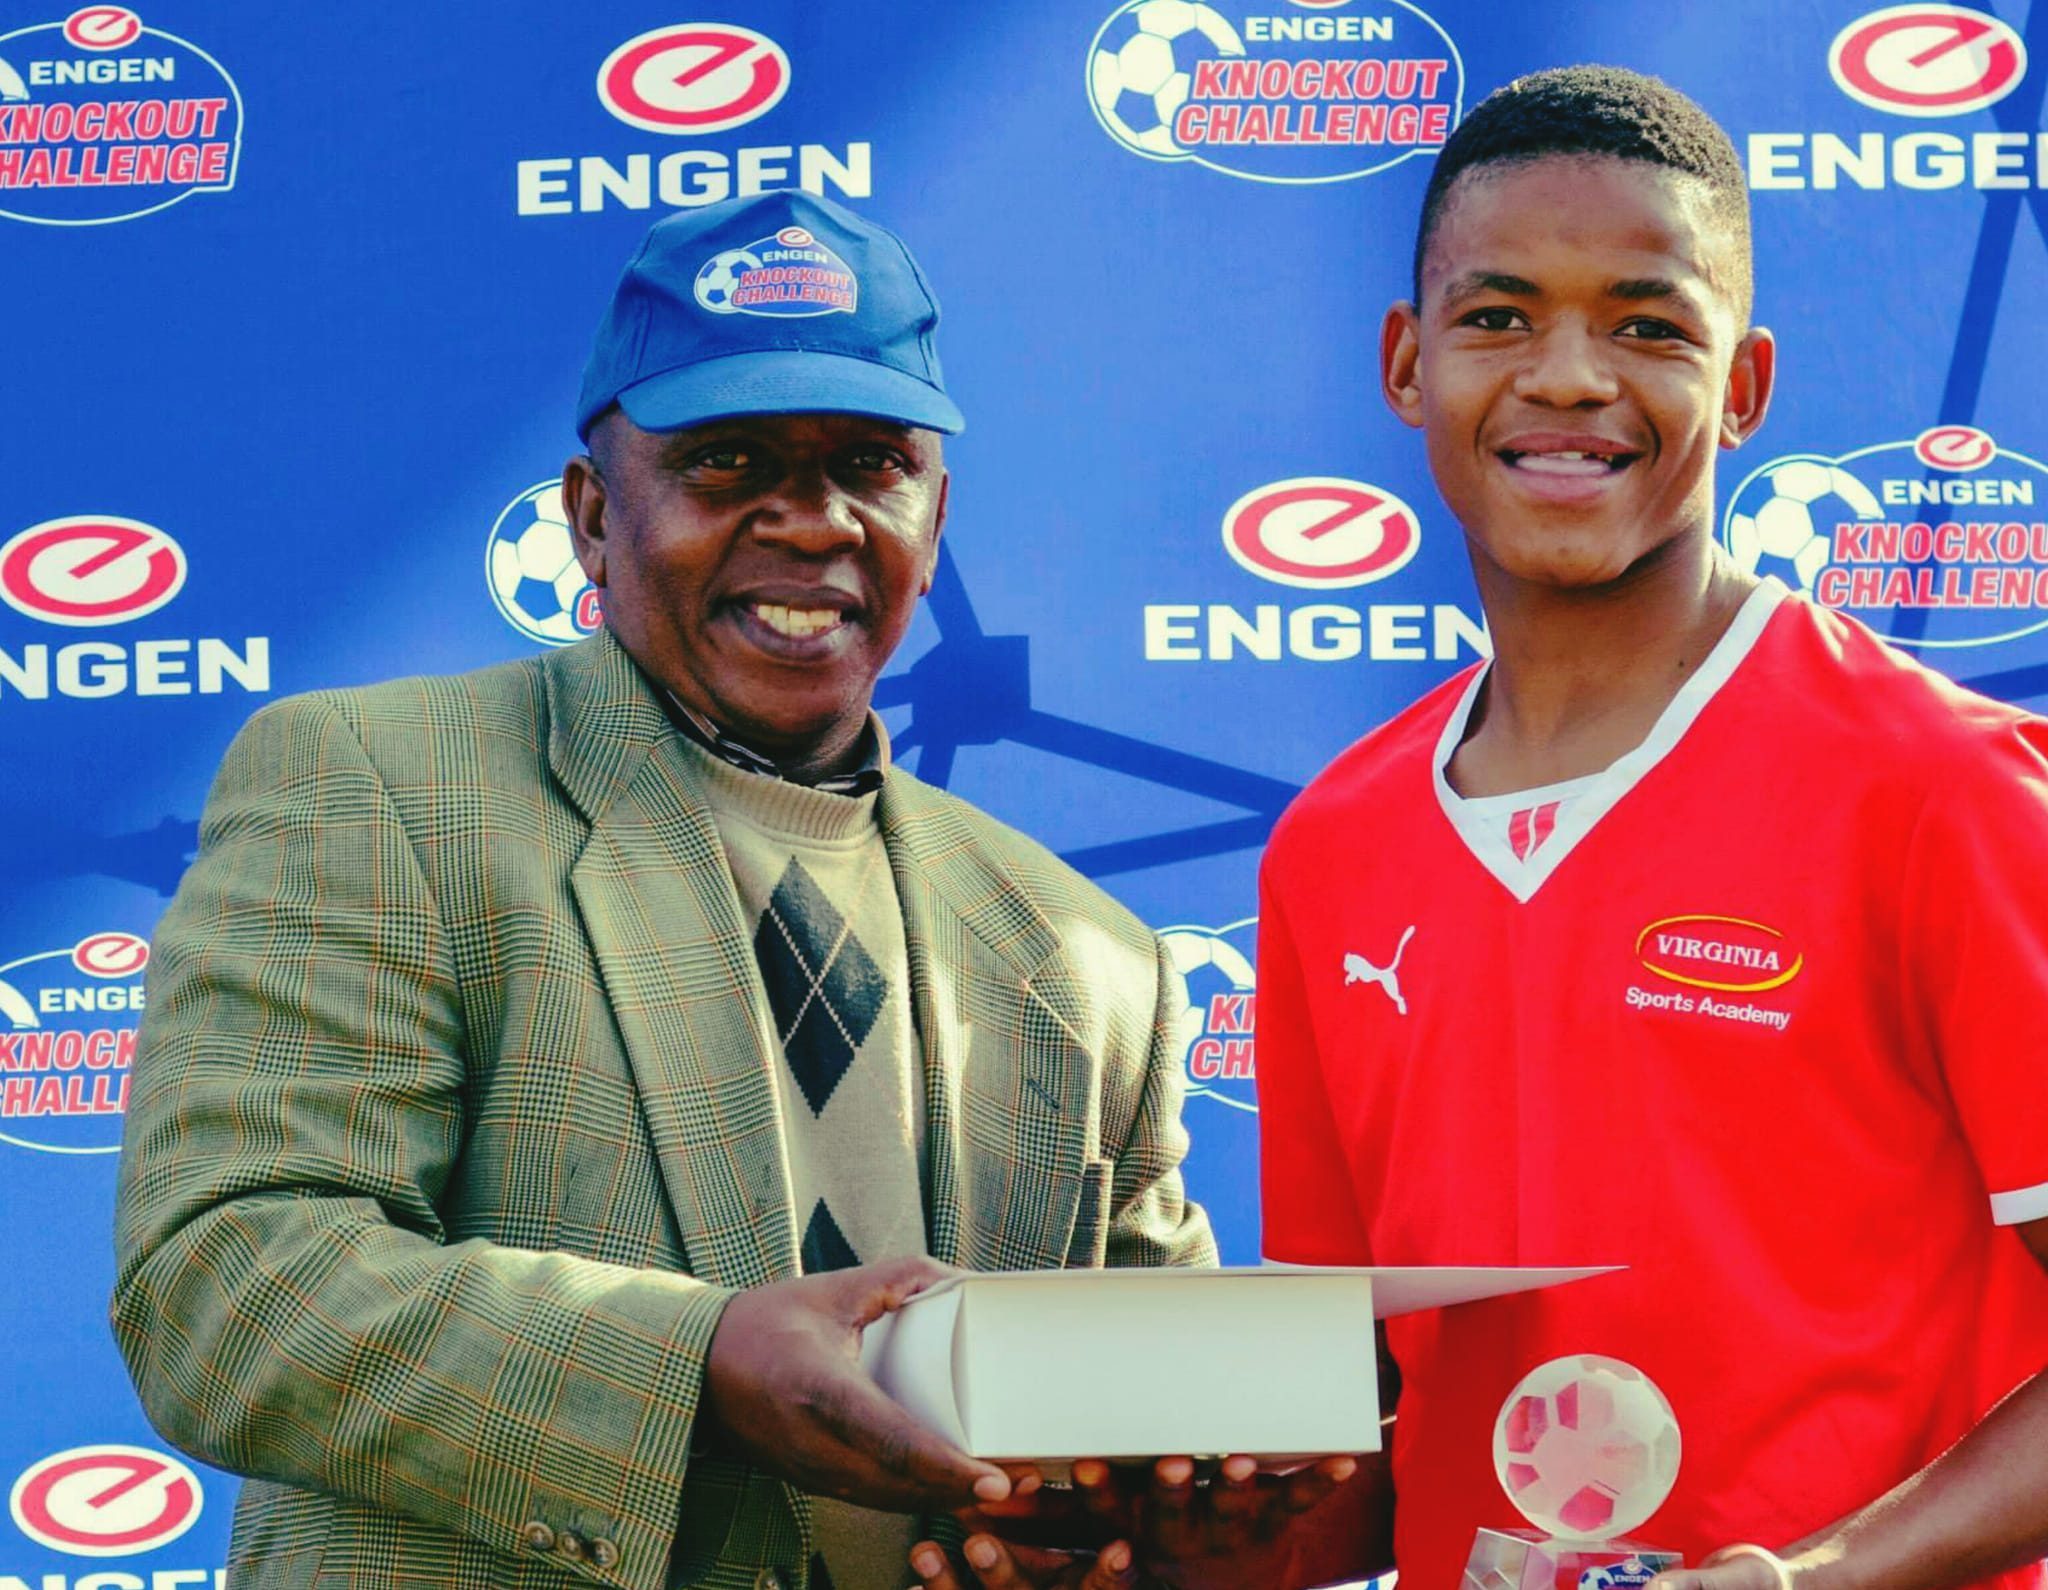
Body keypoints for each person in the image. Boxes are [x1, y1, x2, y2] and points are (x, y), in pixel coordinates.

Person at [109, 189, 1219, 1590]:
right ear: (591, 514)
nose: (812, 522)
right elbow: (231, 1287)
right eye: (728, 459)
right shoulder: (377, 785)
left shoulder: (1087, 950)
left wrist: (1133, 1513)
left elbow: (1149, 1419)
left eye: (871, 464)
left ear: (934, 523)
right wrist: (697, 1365)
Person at [1255, 67, 2048, 1590]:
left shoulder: (1937, 787)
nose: (1565, 376)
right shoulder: (1332, 846)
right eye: (1499, 318)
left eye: (1645, 324)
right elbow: (1352, 1421)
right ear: (1406, 363)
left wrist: (1803, 1581)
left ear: (1743, 386)